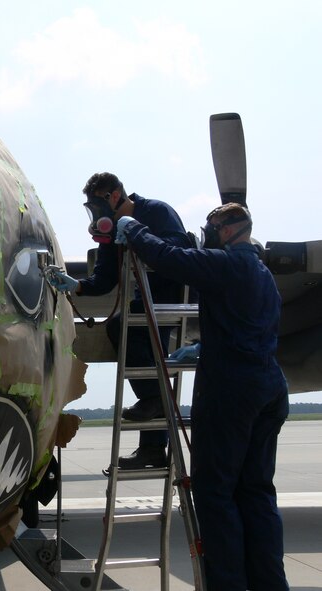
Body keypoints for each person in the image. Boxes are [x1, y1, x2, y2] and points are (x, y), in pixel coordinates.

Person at [115, 202, 289, 591]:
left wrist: (134, 230)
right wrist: (206, 345)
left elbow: (170, 258)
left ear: (227, 231)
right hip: (269, 387)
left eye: (211, 228)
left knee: (215, 494)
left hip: (232, 391)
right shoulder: (263, 274)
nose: (206, 235)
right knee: (257, 492)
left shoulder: (227, 265)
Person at [50, 172, 194, 469]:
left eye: (97, 205)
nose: (96, 214)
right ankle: (153, 441)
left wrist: (137, 234)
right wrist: (76, 285)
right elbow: (104, 279)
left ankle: (153, 412)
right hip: (145, 302)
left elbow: (177, 249)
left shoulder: (156, 211)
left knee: (128, 335)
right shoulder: (112, 230)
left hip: (169, 297)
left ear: (114, 196)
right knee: (142, 356)